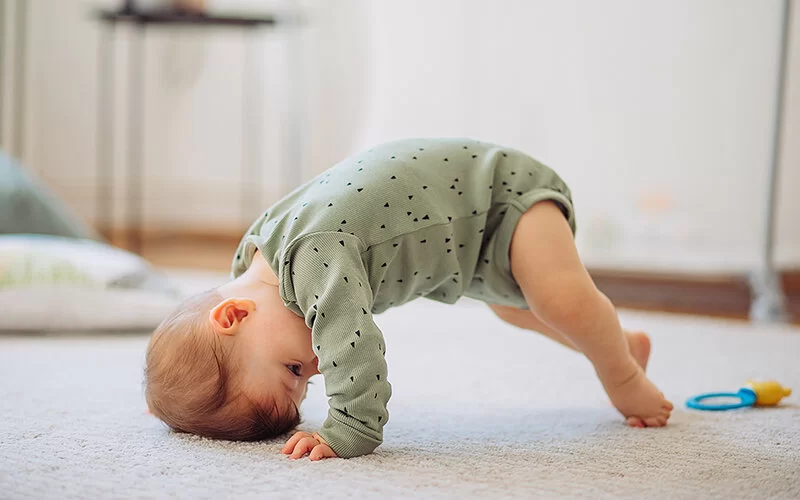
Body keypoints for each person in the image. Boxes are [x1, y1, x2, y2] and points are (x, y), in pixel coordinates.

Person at [144, 138, 673, 461]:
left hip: (501, 199)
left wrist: (350, 427)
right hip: (470, 247)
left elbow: (356, 349)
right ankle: (622, 346)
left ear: (233, 314)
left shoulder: (311, 260)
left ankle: (621, 375)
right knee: (519, 309)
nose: (318, 370)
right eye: (305, 383)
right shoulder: (258, 262)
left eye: (292, 368)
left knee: (562, 301)